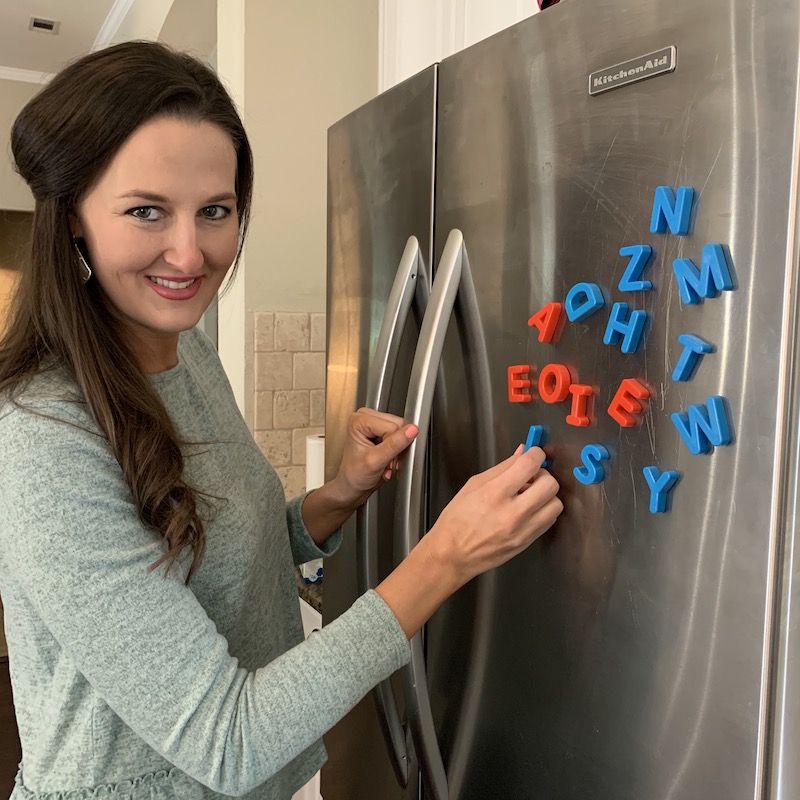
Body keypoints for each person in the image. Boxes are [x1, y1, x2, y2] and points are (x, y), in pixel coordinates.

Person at [0, 41, 563, 799]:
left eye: (216, 211)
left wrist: (338, 497)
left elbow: (210, 553)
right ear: (74, 218)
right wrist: (444, 559)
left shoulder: (185, 351)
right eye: (145, 211)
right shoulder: (42, 438)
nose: (189, 252)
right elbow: (226, 739)